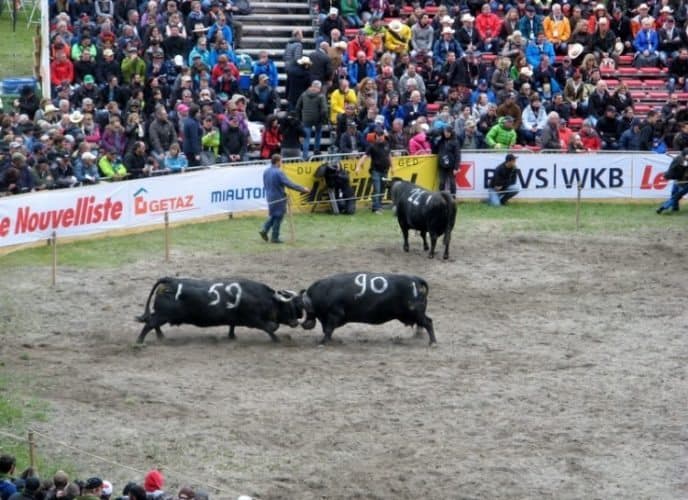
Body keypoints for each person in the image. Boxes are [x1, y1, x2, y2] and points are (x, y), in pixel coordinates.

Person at [259, 154, 310, 243]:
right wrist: (303, 189)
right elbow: (289, 183)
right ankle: (274, 237)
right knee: (278, 216)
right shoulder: (279, 172)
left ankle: (264, 230)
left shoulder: (266, 171)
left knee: (274, 215)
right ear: (278, 161)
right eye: (281, 161)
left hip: (269, 196)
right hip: (278, 197)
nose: (281, 163)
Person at [355, 126, 393, 214]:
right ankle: (376, 208)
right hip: (375, 170)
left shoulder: (387, 144)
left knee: (382, 189)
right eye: (379, 135)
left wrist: (392, 167)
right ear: (376, 135)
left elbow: (389, 156)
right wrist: (358, 167)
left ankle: (378, 206)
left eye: (382, 135)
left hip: (385, 170)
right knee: (377, 189)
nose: (380, 137)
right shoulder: (372, 146)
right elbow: (364, 157)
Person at [657, 148, 688, 214]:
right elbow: (684, 164)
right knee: (675, 195)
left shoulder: (680, 159)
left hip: (685, 182)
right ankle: (674, 208)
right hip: (679, 180)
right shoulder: (680, 159)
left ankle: (664, 207)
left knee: (676, 196)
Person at [434, 125, 461, 199]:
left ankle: (453, 198)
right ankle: (440, 198)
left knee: (452, 182)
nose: (446, 134)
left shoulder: (455, 142)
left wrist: (456, 167)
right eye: (445, 132)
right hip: (442, 165)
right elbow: (435, 150)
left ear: (451, 132)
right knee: (442, 182)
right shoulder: (440, 141)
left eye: (448, 132)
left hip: (451, 166)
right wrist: (435, 141)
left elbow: (457, 155)